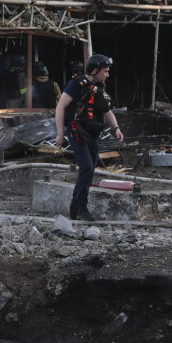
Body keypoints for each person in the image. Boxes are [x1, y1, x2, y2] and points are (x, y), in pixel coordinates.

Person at [54, 54, 124, 222]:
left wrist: (116, 128)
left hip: (92, 133)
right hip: (76, 130)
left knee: (90, 168)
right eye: (105, 71)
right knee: (85, 167)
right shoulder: (77, 85)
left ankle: (75, 206)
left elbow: (107, 111)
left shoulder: (100, 88)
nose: (107, 75)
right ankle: (81, 207)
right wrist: (60, 133)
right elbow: (60, 107)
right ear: (94, 70)